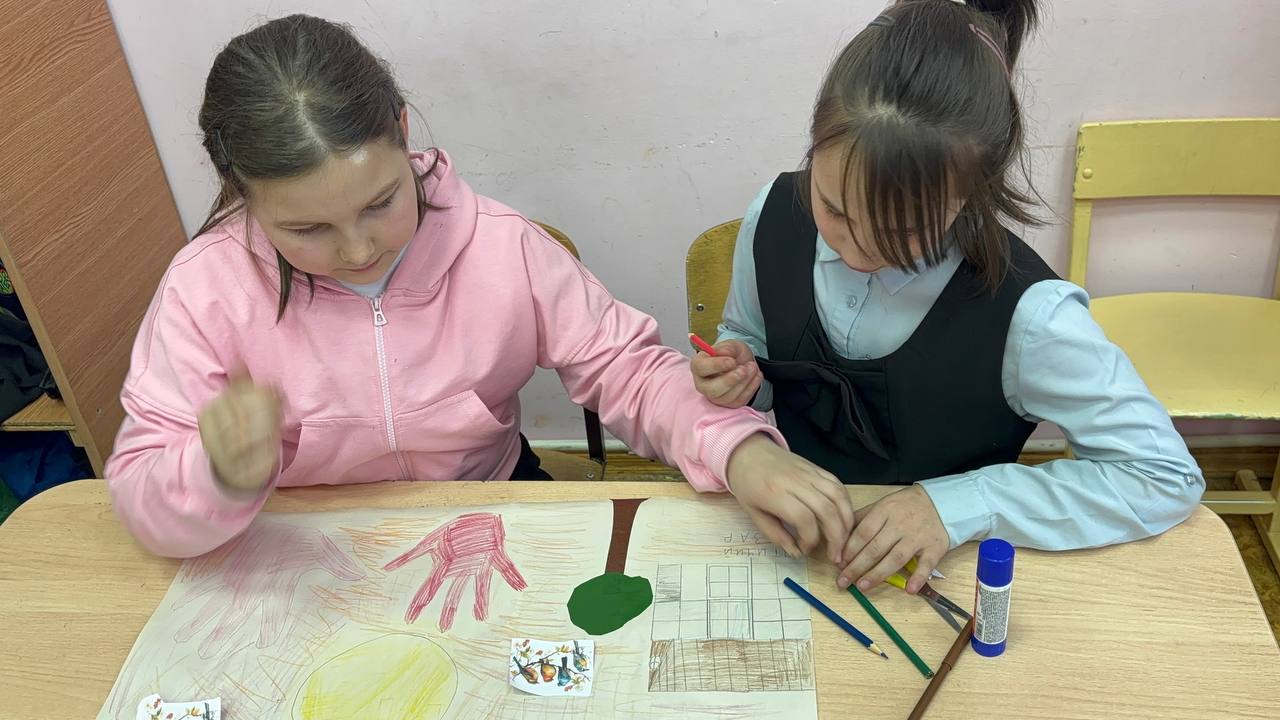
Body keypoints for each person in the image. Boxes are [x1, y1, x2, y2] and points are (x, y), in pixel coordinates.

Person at [106, 14, 855, 560]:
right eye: (307, 230)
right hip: (303, 542)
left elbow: (627, 371)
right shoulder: (206, 290)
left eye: (380, 203)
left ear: (404, 132)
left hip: (492, 504)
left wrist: (737, 449)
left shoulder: (502, 247)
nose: (359, 249)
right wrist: (216, 475)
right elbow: (141, 490)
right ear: (241, 193)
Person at [691, 0, 1204, 593]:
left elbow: (1164, 476)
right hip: (794, 552)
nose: (856, 253)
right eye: (835, 211)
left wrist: (960, 503)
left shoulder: (1030, 315)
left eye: (902, 231)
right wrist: (743, 375)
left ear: (974, 191)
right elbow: (750, 337)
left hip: (936, 583)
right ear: (814, 146)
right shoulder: (776, 213)